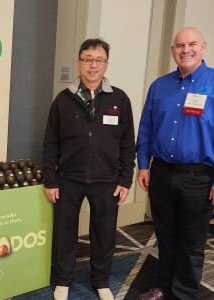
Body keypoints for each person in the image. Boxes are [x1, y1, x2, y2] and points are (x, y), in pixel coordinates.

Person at [136, 27, 214, 300]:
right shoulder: (159, 86)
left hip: (199, 177)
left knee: (191, 242)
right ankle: (163, 285)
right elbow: (146, 128)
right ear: (173, 51)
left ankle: (183, 294)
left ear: (203, 47)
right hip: (161, 173)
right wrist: (143, 164)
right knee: (165, 235)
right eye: (180, 46)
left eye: (192, 44)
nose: (186, 50)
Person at [42, 38, 136, 300]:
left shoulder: (119, 99)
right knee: (64, 231)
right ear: (79, 63)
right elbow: (50, 142)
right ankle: (63, 280)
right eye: (87, 59)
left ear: (106, 64)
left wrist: (125, 179)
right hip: (68, 178)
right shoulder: (63, 100)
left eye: (99, 60)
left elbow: (128, 142)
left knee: (104, 233)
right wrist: (50, 180)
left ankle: (101, 280)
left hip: (107, 179)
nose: (92, 65)